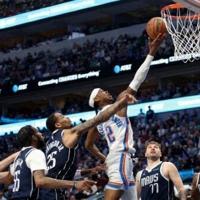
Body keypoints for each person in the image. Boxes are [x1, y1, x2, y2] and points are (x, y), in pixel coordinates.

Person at [85, 33, 166, 200]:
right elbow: (137, 80)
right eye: (102, 91)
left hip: (120, 159)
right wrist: (151, 53)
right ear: (97, 100)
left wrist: (104, 157)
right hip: (120, 156)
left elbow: (88, 144)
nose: (106, 91)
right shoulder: (118, 105)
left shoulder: (96, 121)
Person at [40, 93, 135, 200]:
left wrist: (91, 170)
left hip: (47, 189)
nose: (67, 117)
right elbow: (97, 120)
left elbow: (60, 171)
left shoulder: (48, 144)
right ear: (58, 125)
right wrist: (122, 102)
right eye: (62, 117)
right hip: (54, 192)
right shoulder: (68, 133)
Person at [2, 125, 96, 200]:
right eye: (38, 132)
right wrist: (75, 184)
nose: (41, 134)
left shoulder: (18, 158)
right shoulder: (35, 153)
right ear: (33, 137)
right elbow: (40, 181)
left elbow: (8, 179)